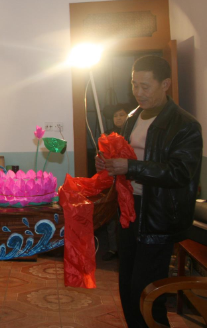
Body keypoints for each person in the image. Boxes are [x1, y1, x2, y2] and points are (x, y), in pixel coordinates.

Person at [96, 56, 203, 327]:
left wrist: (130, 167)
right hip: (129, 208)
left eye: (145, 86)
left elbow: (180, 173)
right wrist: (109, 163)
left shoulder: (185, 124)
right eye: (134, 85)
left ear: (165, 84)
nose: (138, 92)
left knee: (147, 291)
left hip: (158, 213)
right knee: (127, 283)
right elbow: (125, 155)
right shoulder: (132, 118)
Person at [101, 102, 133, 261]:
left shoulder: (133, 133)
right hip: (112, 179)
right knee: (112, 216)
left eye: (122, 115)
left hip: (130, 180)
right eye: (115, 116)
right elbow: (101, 156)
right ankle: (113, 248)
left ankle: (127, 249)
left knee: (128, 214)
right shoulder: (107, 134)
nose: (118, 118)